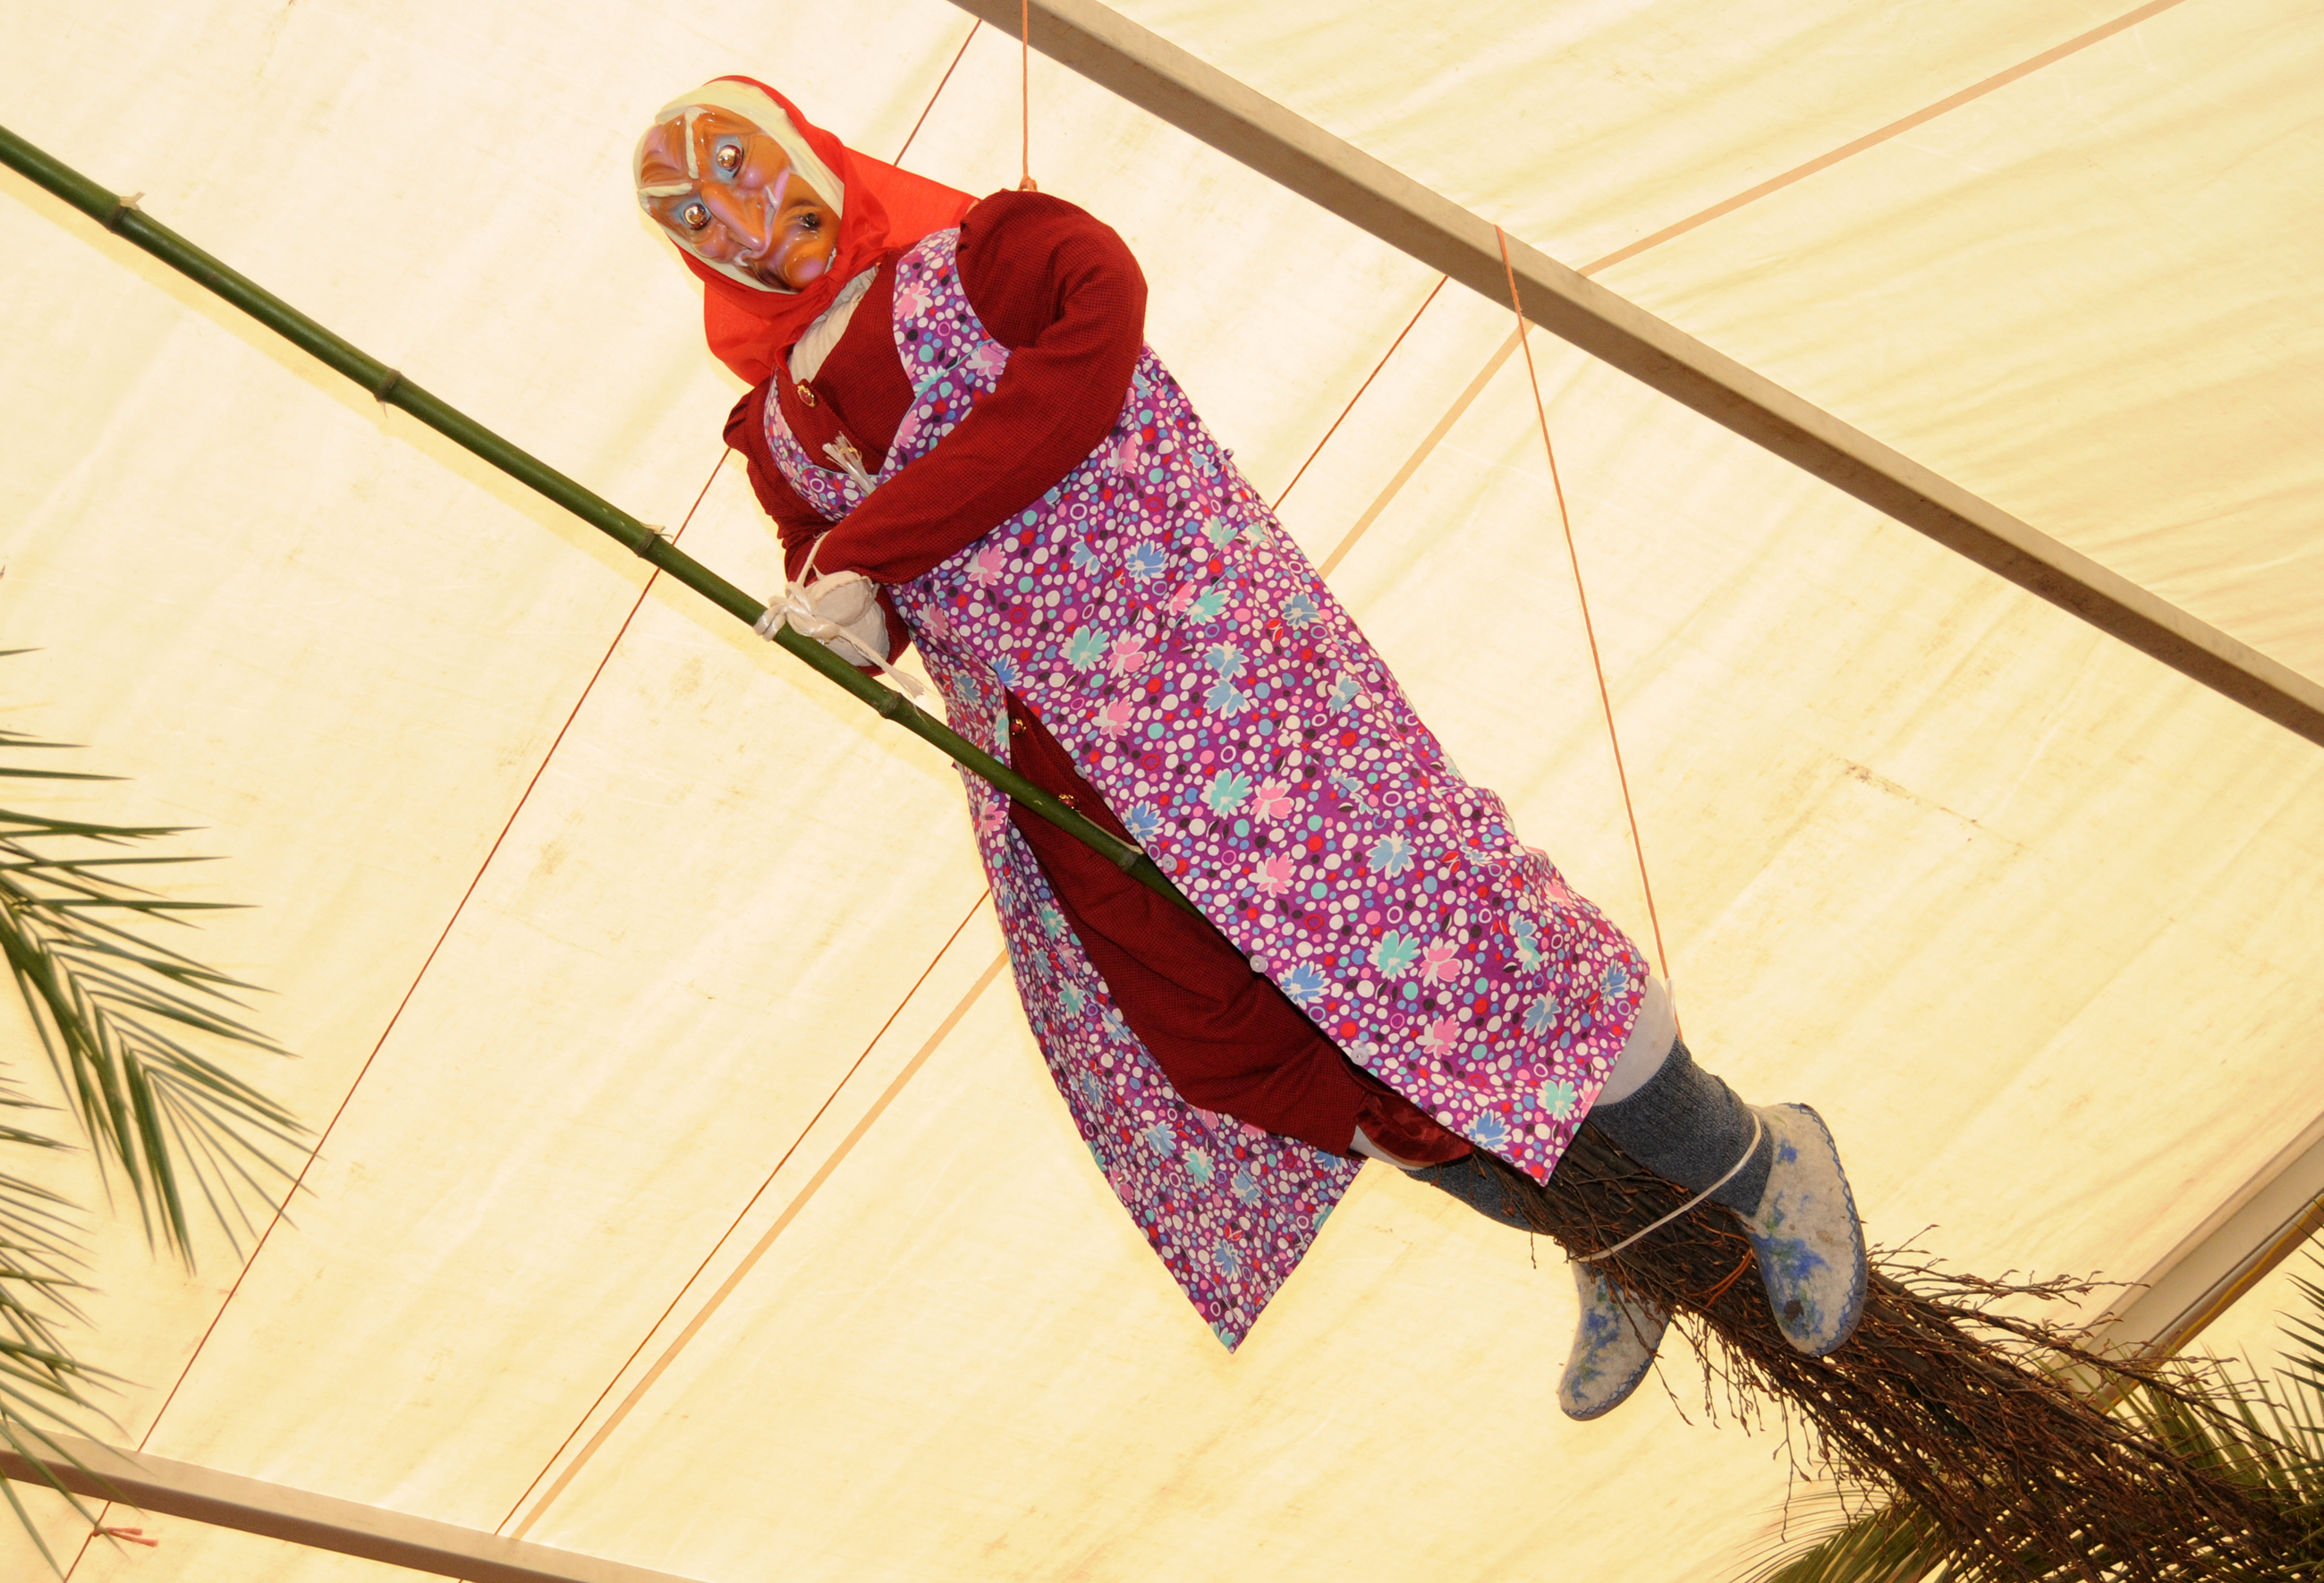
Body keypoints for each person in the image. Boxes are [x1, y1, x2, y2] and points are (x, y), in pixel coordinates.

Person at [636, 79, 1867, 1416]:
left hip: (1222, 694)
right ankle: (1617, 1234)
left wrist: (865, 549)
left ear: (809, 146)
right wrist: (842, 613)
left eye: (742, 166)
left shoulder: (1002, 251)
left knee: (1438, 934)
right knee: (1248, 1042)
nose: (739, 221)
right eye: (692, 216)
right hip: (1054, 765)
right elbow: (845, 581)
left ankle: (1756, 1163)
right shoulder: (769, 430)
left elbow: (1071, 390)